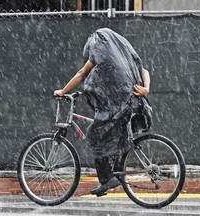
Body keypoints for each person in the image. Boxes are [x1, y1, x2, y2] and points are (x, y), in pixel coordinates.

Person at [54, 28, 151, 197]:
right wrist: (146, 89)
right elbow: (145, 71)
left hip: (118, 106)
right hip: (133, 102)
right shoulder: (124, 55)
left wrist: (62, 91)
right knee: (112, 137)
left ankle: (107, 179)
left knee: (96, 136)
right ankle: (115, 173)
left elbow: (82, 73)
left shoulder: (100, 53)